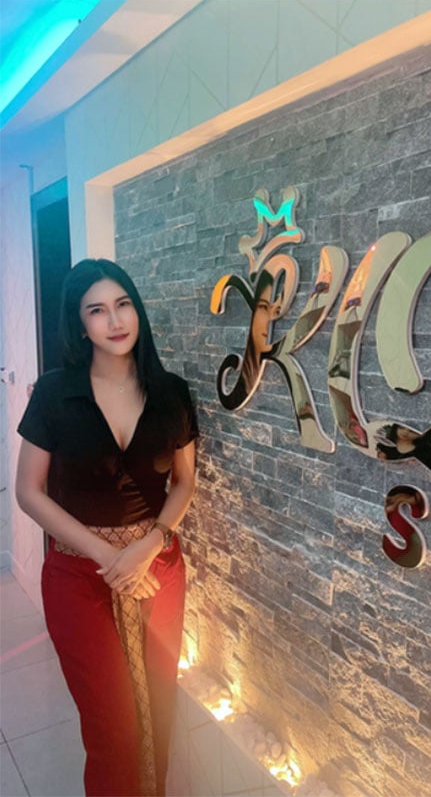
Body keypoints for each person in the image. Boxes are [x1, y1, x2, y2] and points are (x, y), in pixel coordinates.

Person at [15, 259, 198, 797]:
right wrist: (110, 557)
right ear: (80, 324)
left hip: (157, 569)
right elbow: (28, 491)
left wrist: (149, 545)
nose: (114, 320)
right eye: (96, 310)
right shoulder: (54, 394)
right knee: (112, 725)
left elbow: (185, 482)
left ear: (137, 310)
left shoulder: (171, 392)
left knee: (157, 709)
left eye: (122, 304)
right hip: (78, 575)